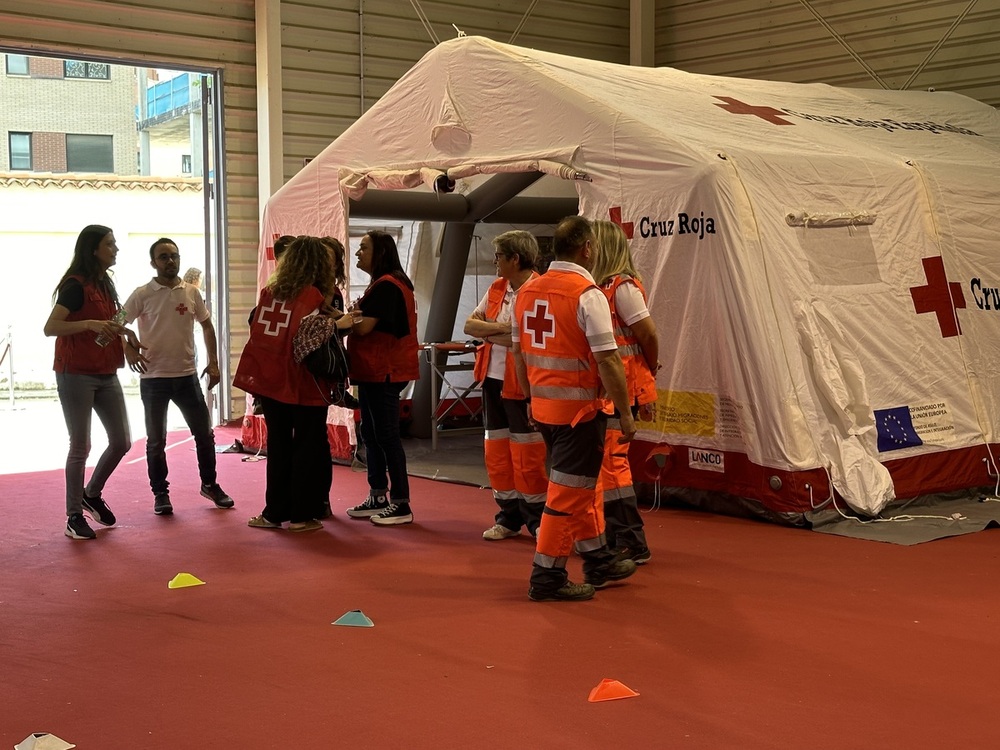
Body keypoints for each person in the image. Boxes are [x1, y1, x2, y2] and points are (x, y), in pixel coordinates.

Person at [512, 216, 638, 602]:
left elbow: (520, 354)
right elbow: (609, 361)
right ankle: (546, 576)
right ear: (587, 248)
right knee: (567, 495)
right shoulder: (588, 294)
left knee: (580, 487)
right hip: (581, 414)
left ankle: (598, 558)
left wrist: (531, 398)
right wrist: (625, 412)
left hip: (546, 411)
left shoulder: (527, 292)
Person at [234, 236, 350, 532]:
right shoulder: (314, 295)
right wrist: (340, 323)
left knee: (280, 446)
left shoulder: (269, 292)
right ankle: (302, 515)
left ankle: (274, 512)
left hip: (270, 380)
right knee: (308, 447)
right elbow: (309, 336)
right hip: (302, 382)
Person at [122, 238, 234, 516]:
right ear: (153, 263)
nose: (170, 261)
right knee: (156, 441)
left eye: (174, 256)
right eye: (163, 257)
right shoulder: (141, 294)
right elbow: (116, 323)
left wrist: (214, 363)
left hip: (187, 377)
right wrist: (128, 349)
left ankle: (210, 484)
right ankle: (161, 494)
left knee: (204, 435)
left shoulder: (192, 293)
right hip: (153, 379)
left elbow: (207, 326)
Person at [43, 225, 139, 540]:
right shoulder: (75, 286)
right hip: (75, 373)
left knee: (122, 441)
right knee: (80, 445)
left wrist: (127, 334)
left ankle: (91, 493)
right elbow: (50, 327)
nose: (116, 249)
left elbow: (114, 321)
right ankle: (73, 516)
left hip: (106, 371)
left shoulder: (106, 284)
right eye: (110, 244)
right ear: (94, 249)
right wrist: (87, 324)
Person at [464, 230, 547, 541]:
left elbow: (528, 338)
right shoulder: (498, 287)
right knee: (496, 453)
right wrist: (506, 330)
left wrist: (494, 333)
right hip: (492, 381)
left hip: (523, 385)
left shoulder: (541, 289)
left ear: (515, 258)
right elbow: (471, 325)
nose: (493, 261)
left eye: (499, 256)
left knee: (528, 455)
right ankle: (508, 518)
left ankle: (537, 520)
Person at [591, 220, 660, 565]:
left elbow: (648, 335)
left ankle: (631, 539)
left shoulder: (623, 288)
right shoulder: (604, 287)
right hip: (614, 388)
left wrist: (650, 375)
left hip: (624, 389)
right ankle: (621, 535)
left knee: (613, 465)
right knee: (609, 465)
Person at [344, 230, 420, 526]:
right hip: (374, 371)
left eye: (363, 248)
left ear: (381, 253)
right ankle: (377, 494)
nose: (358, 253)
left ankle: (401, 503)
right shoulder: (385, 284)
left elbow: (363, 328)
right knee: (371, 434)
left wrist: (349, 317)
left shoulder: (387, 286)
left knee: (386, 435)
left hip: (384, 370)